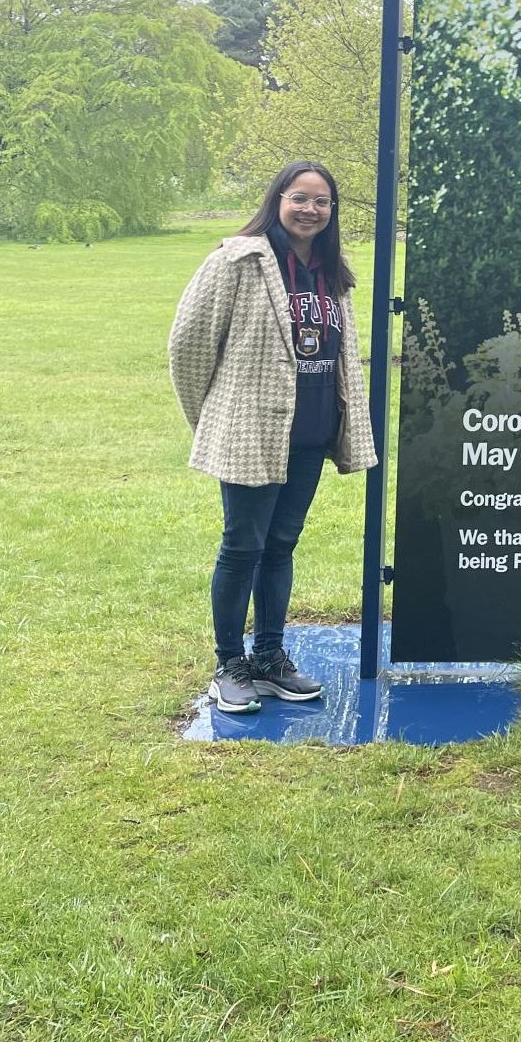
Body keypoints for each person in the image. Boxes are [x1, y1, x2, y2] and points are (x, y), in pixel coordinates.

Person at [169, 161, 377, 713]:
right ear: (277, 199)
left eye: (322, 202)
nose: (310, 209)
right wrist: (214, 417)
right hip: (252, 433)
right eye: (299, 198)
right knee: (242, 547)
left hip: (309, 433)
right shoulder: (237, 260)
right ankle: (229, 664)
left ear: (331, 212)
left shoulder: (333, 270)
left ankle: (269, 657)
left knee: (281, 547)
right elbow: (187, 347)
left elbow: (338, 352)